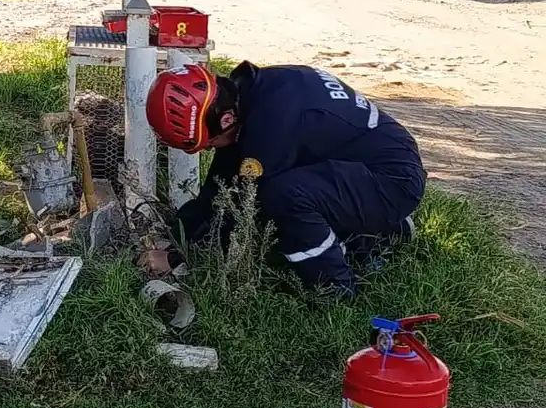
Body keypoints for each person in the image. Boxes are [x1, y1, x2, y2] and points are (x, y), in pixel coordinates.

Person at [145, 61, 426, 296]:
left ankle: (334, 289)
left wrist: (176, 259)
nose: (209, 149)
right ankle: (384, 229)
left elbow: (239, 211)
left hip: (392, 182)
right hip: (373, 162)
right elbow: (221, 179)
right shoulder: (255, 93)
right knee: (278, 188)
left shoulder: (271, 127)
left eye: (208, 143)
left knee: (280, 196)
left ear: (226, 120)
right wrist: (180, 229)